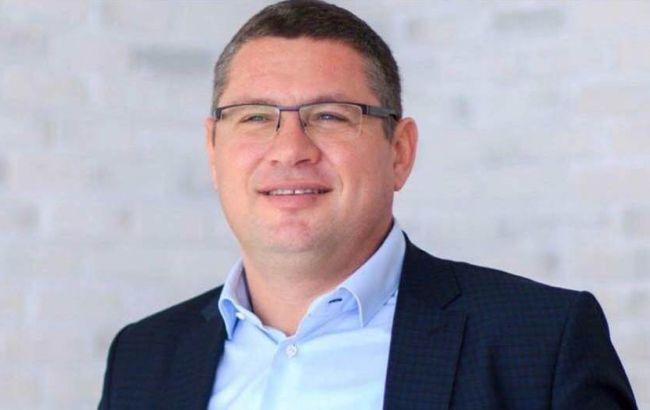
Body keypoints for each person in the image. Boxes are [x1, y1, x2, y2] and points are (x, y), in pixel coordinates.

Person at [98, 1, 637, 409]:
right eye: (256, 117)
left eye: (331, 116)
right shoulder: (143, 359)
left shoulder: (541, 345)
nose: (290, 149)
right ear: (213, 151)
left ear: (399, 152)